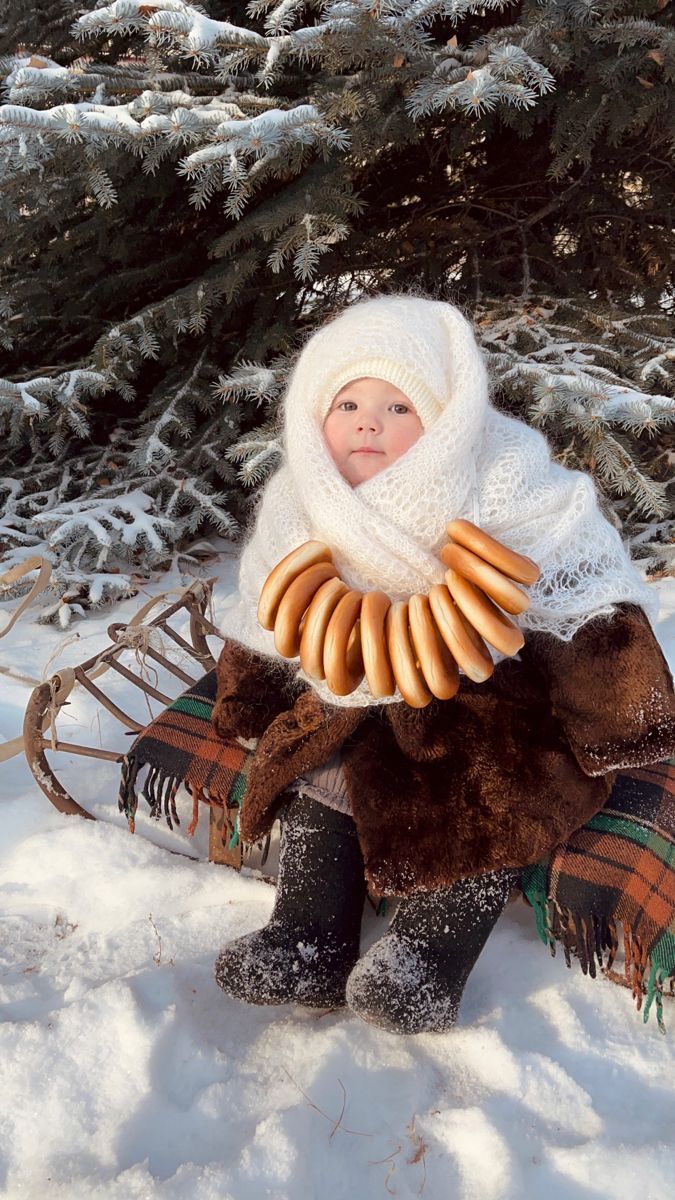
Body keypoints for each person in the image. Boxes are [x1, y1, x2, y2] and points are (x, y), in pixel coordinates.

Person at [211, 293, 675, 1034]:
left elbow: (584, 602)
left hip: (491, 692)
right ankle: (306, 936)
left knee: (495, 795)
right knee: (322, 773)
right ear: (310, 415)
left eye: (399, 407)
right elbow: (269, 613)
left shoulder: (509, 484)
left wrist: (620, 721)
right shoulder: (299, 503)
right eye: (348, 403)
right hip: (354, 685)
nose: (369, 421)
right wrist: (249, 700)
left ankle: (427, 958)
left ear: (446, 419)